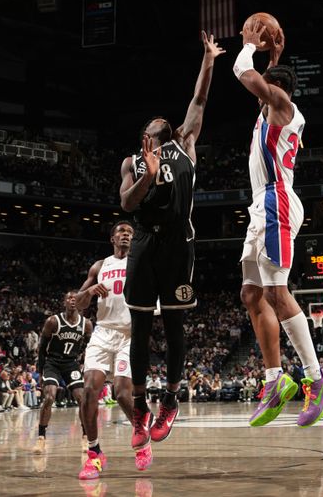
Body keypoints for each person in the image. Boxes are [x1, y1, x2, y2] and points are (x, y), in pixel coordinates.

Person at [119, 31, 224, 464]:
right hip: (144, 242)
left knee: (175, 327)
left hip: (179, 244)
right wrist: (149, 174)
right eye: (148, 124)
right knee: (142, 329)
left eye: (159, 124)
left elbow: (198, 101)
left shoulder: (186, 145)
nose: (154, 123)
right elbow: (126, 204)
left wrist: (209, 60)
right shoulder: (132, 161)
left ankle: (171, 399)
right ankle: (141, 409)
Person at [232, 20, 323, 428]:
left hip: (277, 200)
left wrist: (248, 47)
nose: (259, 92)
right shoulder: (271, 113)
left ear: (275, 89)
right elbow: (266, 83)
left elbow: (246, 75)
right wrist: (275, 57)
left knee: (277, 292)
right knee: (250, 293)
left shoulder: (281, 105)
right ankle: (276, 379)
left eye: (268, 84)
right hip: (261, 206)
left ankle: (316, 378)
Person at [75, 221, 141, 478]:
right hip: (102, 332)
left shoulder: (139, 263)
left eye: (130, 233)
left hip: (129, 334)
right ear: (112, 238)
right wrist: (90, 290)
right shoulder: (100, 266)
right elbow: (79, 305)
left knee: (123, 393)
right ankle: (94, 453)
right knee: (90, 391)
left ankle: (141, 435)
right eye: (121, 232)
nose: (126, 235)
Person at [33, 291, 91, 453]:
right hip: (53, 363)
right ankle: (41, 437)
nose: (72, 300)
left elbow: (89, 347)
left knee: (81, 398)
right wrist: (40, 372)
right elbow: (42, 348)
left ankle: (86, 437)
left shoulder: (86, 324)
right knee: (50, 396)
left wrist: (83, 365)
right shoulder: (53, 321)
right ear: (64, 302)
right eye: (69, 298)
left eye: (75, 298)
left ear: (80, 302)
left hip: (71, 364)